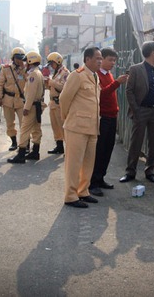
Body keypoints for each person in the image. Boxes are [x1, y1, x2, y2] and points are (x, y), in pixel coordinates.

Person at [60, 47, 103, 208]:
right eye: (97, 58)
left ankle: (83, 191)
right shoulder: (77, 75)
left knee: (88, 163)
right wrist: (68, 119)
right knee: (73, 163)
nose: (100, 61)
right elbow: (64, 99)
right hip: (76, 127)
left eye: (101, 58)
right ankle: (70, 196)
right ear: (87, 59)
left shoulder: (95, 76)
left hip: (92, 127)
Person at [120, 41, 154, 184]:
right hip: (141, 110)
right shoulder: (136, 69)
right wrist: (136, 109)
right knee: (136, 141)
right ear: (153, 52)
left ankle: (150, 170)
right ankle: (130, 171)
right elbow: (129, 91)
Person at [89, 48, 129, 197]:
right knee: (99, 150)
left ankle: (100, 178)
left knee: (108, 149)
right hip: (102, 117)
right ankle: (93, 182)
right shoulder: (96, 75)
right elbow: (101, 93)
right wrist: (117, 83)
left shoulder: (109, 74)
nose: (112, 63)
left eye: (114, 60)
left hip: (112, 117)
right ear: (101, 59)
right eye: (109, 60)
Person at [7, 51, 45, 163]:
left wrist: (26, 108)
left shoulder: (33, 74)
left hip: (32, 106)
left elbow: (31, 94)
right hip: (37, 105)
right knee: (36, 128)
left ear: (30, 61)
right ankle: (35, 152)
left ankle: (21, 153)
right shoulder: (38, 72)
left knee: (24, 129)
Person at [0, 48, 27, 151]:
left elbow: (30, 81)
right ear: (13, 58)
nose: (19, 60)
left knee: (24, 123)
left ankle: (26, 144)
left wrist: (23, 70)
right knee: (10, 123)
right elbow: (0, 84)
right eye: (17, 58)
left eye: (21, 58)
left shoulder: (26, 69)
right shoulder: (6, 69)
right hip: (8, 99)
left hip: (21, 100)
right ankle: (14, 142)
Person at [45, 52, 70, 155]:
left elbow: (63, 87)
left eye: (52, 63)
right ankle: (59, 147)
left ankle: (68, 149)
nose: (51, 66)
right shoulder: (56, 73)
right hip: (53, 103)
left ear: (58, 62)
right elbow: (53, 87)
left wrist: (51, 82)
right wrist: (47, 84)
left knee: (63, 127)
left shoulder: (65, 73)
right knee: (55, 127)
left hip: (59, 103)